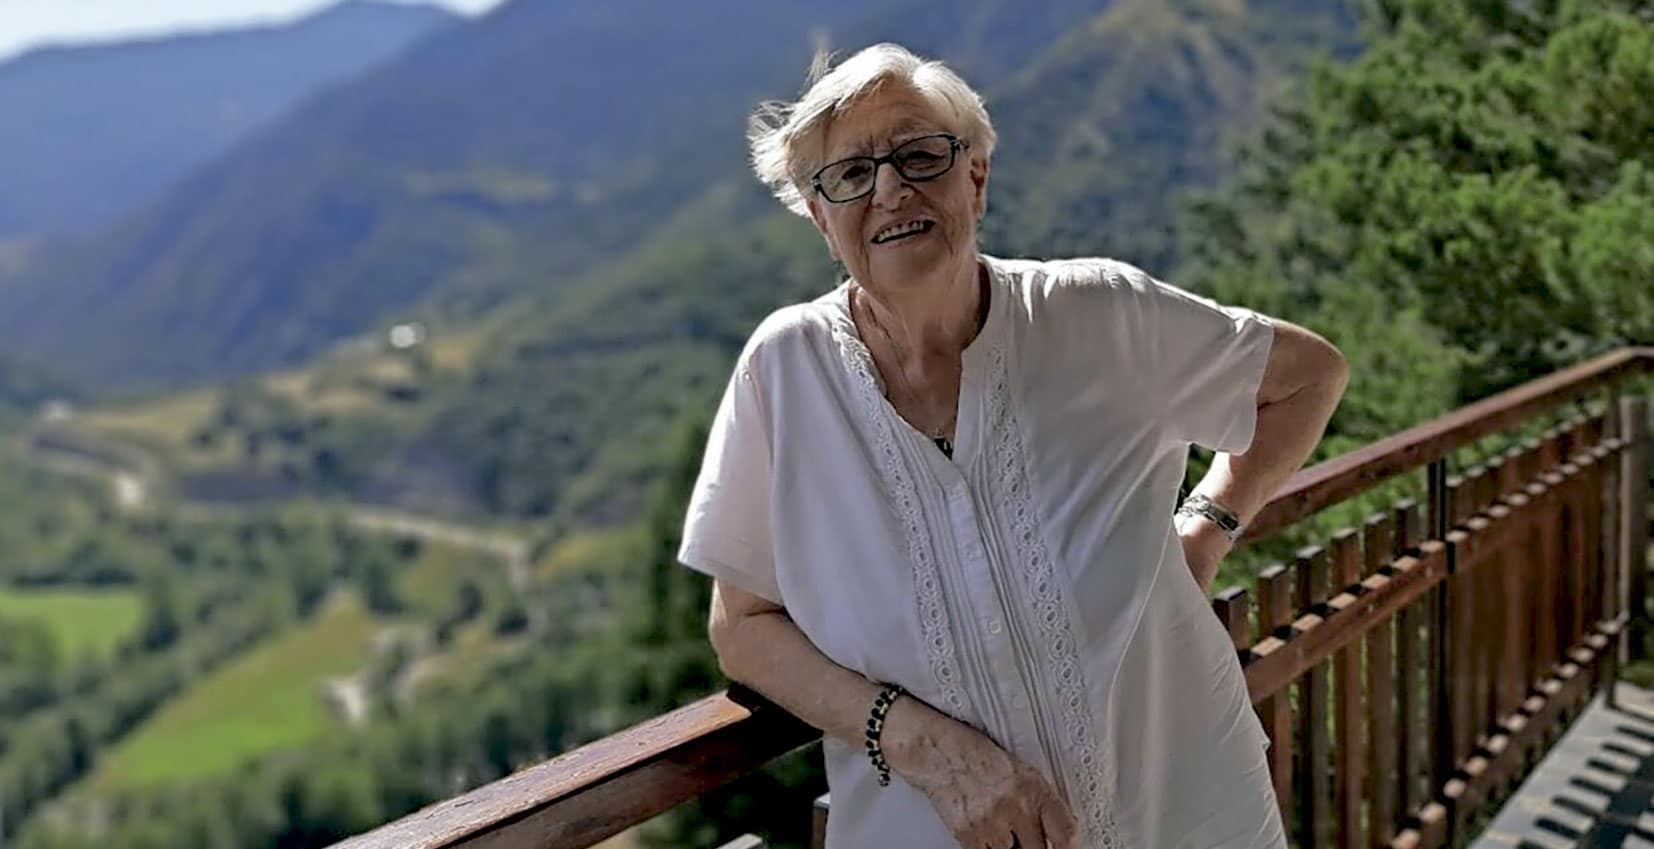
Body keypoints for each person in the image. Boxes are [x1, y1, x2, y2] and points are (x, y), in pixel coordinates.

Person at [678, 43, 1348, 849]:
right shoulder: (785, 374)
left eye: (920, 155)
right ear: (822, 219)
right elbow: (742, 626)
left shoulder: (1097, 314)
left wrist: (1208, 529)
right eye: (850, 174)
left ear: (976, 178)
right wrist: (918, 742)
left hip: (1187, 812)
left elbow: (1309, 378)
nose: (889, 189)